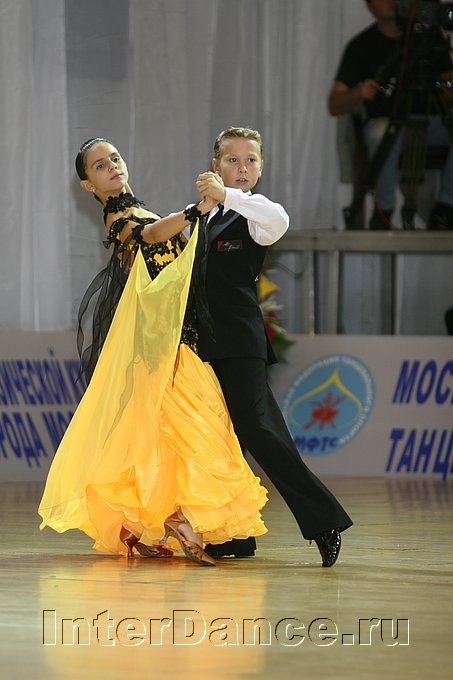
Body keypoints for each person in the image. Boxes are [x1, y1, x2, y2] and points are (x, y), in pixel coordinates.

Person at [38, 137, 268, 567]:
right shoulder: (118, 216)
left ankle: (158, 520)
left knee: (171, 433)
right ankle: (176, 519)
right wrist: (194, 212)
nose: (112, 166)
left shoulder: (136, 207)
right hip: (165, 343)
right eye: (100, 166)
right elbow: (149, 235)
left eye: (115, 158)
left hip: (171, 338)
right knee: (195, 427)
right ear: (88, 185)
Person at [194, 126, 353, 566]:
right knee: (223, 441)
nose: (242, 168)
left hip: (241, 342)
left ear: (261, 169)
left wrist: (226, 195)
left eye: (250, 161)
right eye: (232, 160)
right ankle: (236, 534)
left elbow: (278, 220)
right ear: (215, 165)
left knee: (259, 431)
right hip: (203, 345)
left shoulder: (255, 214)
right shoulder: (204, 218)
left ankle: (323, 521)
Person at [328, 0, 453, 230]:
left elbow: (448, 83)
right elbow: (335, 104)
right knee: (380, 131)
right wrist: (359, 92)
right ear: (369, 6)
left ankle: (445, 209)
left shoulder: (429, 38)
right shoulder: (361, 45)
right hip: (389, 126)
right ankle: (383, 212)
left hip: (431, 124)